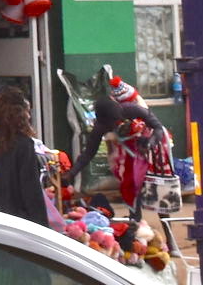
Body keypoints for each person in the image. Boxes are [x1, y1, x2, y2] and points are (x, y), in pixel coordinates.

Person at [67, 81, 170, 222]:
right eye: (108, 125)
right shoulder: (101, 127)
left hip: (153, 145)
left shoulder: (133, 110)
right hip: (131, 151)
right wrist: (72, 173)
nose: (110, 127)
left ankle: (165, 221)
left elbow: (158, 128)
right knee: (131, 182)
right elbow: (88, 153)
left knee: (159, 186)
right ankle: (135, 219)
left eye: (112, 123)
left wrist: (149, 143)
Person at [0, 87, 50, 224]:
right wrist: (43, 226)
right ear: (20, 115)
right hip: (16, 221)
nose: (29, 117)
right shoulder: (24, 145)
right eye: (27, 112)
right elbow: (30, 190)